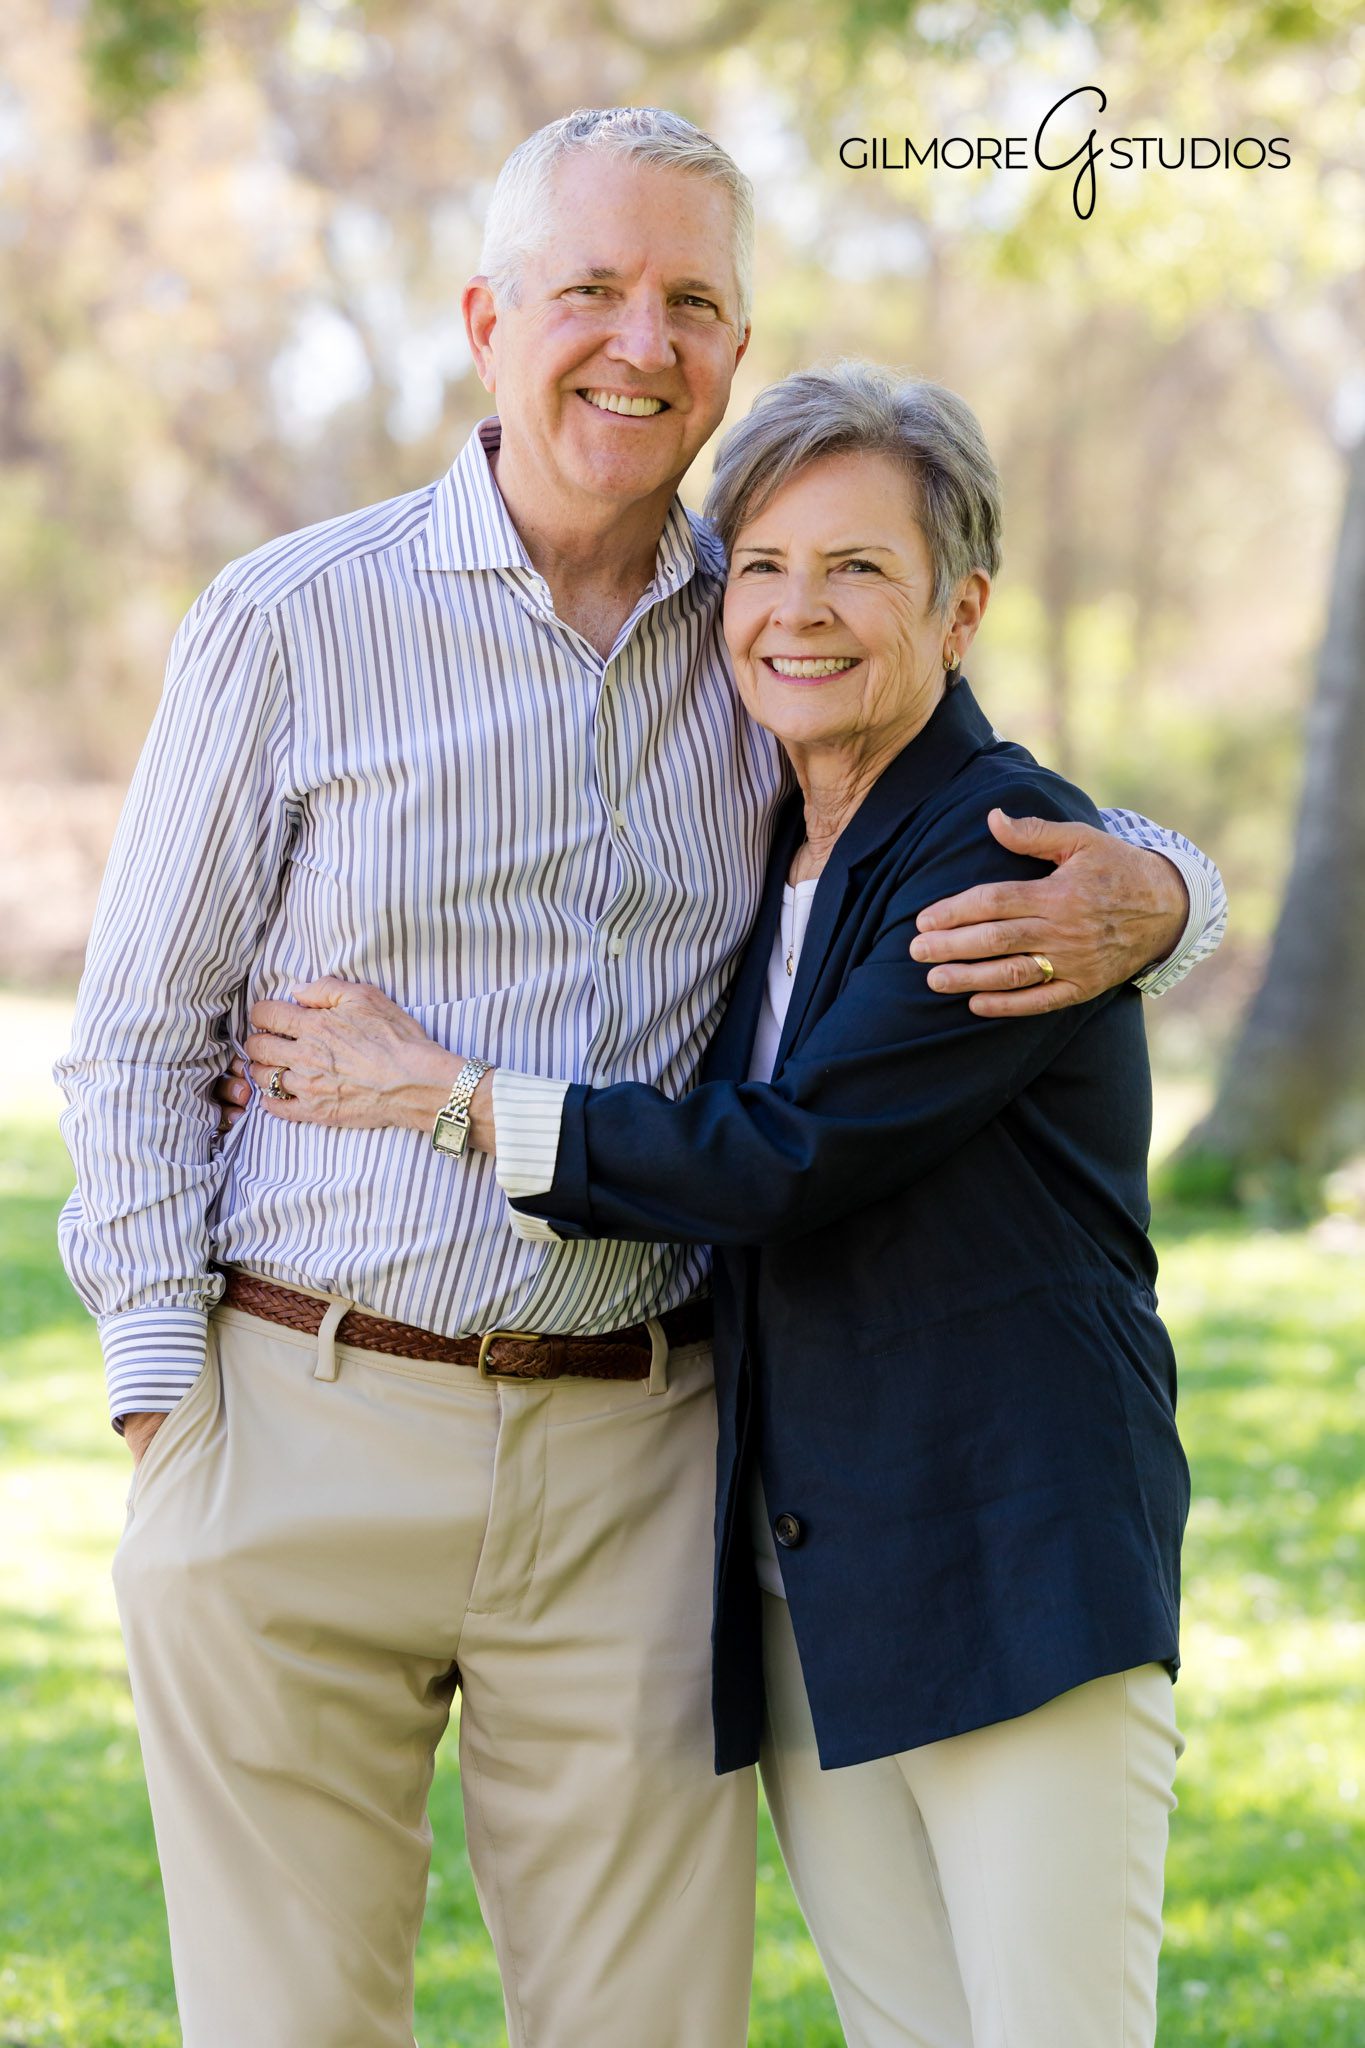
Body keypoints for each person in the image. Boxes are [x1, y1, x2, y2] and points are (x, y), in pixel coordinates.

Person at [57, 106, 1221, 2048]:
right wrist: (167, 1420)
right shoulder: (290, 620)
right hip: (301, 1413)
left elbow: (978, 805)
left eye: (688, 300)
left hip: (636, 1460)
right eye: (588, 288)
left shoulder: (760, 624)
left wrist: (1168, 891)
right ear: (484, 319)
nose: (636, 340)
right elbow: (136, 1039)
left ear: (734, 347)